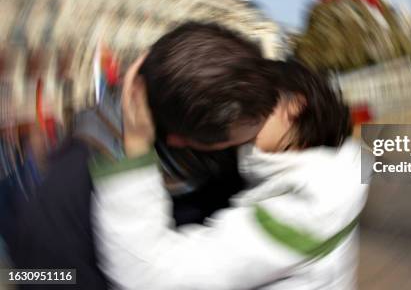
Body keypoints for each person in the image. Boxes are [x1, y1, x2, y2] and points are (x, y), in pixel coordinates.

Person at [8, 22, 280, 289]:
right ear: (183, 140)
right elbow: (33, 276)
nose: (262, 137)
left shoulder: (225, 161)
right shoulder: (61, 198)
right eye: (247, 135)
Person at [92, 59, 368, 289]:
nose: (239, 114)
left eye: (255, 104)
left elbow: (151, 275)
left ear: (294, 107)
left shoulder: (305, 205)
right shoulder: (328, 169)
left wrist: (136, 149)